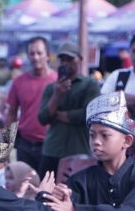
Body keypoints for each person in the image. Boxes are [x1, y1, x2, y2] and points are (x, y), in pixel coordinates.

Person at [37, 42, 101, 178]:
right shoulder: (52, 88)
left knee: (75, 193)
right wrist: (56, 96)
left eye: (70, 59)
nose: (66, 63)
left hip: (78, 149)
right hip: (52, 149)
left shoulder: (90, 85)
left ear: (80, 60)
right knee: (45, 191)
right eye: (62, 60)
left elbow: (87, 115)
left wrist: (57, 114)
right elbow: (42, 118)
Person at [6, 37, 58, 172]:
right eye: (32, 53)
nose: (35, 57)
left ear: (47, 55)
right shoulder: (19, 82)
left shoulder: (58, 82)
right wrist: (7, 145)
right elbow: (11, 113)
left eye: (39, 53)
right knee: (23, 187)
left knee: (46, 189)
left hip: (50, 145)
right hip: (25, 144)